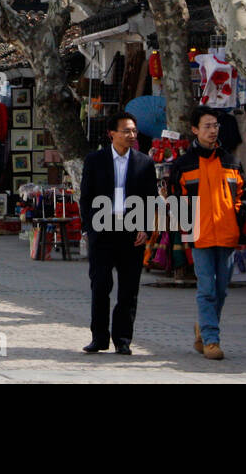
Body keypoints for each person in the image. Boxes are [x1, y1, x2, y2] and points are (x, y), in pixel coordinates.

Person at [170, 106, 246, 360]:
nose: (213, 130)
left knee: (222, 289)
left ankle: (203, 328)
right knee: (206, 288)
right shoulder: (183, 165)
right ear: (194, 130)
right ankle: (212, 339)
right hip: (200, 236)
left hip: (227, 234)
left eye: (215, 126)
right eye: (207, 126)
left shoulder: (232, 161)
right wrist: (188, 227)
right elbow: (176, 200)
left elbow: (243, 196)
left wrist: (237, 220)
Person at [80, 112, 157, 355]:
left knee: (129, 289)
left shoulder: (145, 163)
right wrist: (89, 228)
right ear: (112, 133)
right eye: (126, 130)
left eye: (134, 131)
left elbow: (150, 198)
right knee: (100, 285)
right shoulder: (95, 160)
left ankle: (123, 339)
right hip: (102, 229)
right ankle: (99, 338)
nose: (131, 135)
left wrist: (146, 227)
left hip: (131, 231)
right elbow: (86, 197)